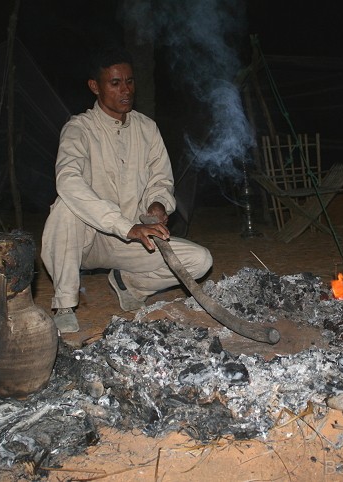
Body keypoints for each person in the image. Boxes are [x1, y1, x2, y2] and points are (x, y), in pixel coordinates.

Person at [41, 47, 213, 332]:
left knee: (200, 260)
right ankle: (64, 302)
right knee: (66, 207)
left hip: (131, 239)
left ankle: (128, 284)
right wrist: (124, 226)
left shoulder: (147, 128)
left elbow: (161, 180)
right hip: (86, 238)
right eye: (115, 83)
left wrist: (158, 204)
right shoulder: (79, 129)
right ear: (95, 86)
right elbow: (68, 180)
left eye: (130, 81)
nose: (126, 90)